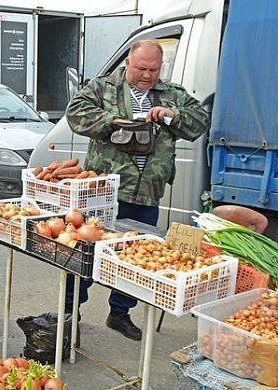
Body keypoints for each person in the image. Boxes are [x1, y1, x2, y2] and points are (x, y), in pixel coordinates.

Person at [65, 40, 209, 341]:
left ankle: (120, 312)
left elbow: (199, 123)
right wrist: (112, 121)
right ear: (128, 63)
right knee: (85, 251)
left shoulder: (172, 94)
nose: (147, 75)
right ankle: (69, 311)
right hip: (104, 191)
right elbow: (75, 113)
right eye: (141, 68)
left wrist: (170, 115)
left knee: (136, 258)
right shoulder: (103, 88)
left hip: (147, 192)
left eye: (153, 70)